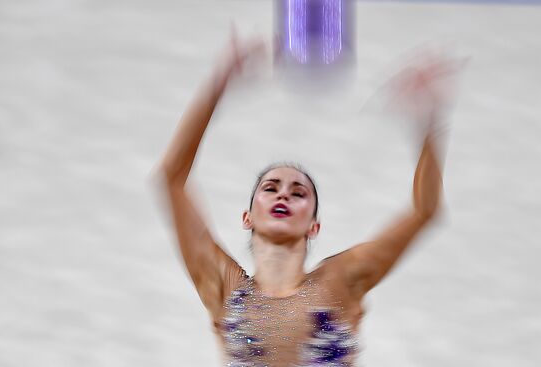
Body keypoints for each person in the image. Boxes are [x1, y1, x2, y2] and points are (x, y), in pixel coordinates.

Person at [158, 31, 452, 367]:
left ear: (314, 226)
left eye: (299, 193)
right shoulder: (225, 288)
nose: (284, 193)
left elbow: (424, 210)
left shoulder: (339, 280)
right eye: (270, 188)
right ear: (247, 217)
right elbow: (172, 179)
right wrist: (216, 88)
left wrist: (429, 124)